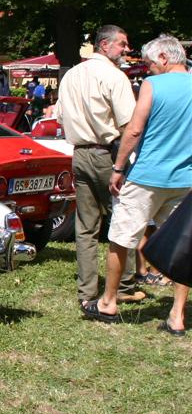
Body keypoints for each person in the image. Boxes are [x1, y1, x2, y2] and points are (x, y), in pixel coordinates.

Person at [82, 35, 192, 332]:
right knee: (183, 246)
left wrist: (118, 168)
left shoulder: (152, 86)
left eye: (149, 63)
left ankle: (107, 302)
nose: (149, 69)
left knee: (121, 238)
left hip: (146, 176)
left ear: (165, 59)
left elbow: (134, 130)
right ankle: (178, 315)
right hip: (185, 180)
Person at [57, 25, 143, 308]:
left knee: (85, 226)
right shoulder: (114, 77)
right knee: (123, 219)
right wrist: (123, 163)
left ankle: (87, 291)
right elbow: (129, 126)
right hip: (107, 154)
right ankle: (126, 284)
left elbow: (60, 117)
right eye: (122, 44)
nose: (126, 49)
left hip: (80, 153)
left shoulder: (71, 75)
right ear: (104, 45)